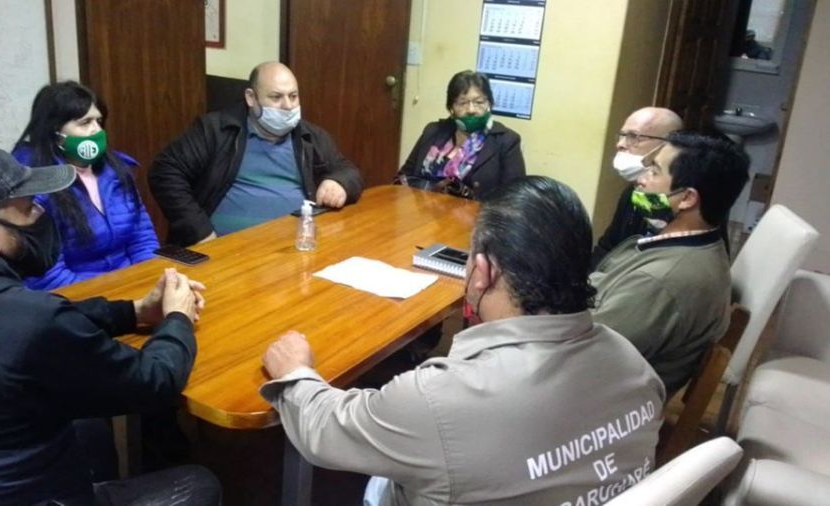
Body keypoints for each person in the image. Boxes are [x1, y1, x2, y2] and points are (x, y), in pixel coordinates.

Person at [261, 176, 664, 505]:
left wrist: (295, 374)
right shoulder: (635, 366)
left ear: (483, 271)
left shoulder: (439, 398)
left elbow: (327, 431)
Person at [0, 143, 220, 504]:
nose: (41, 214)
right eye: (29, 207)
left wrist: (132, 311)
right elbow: (154, 381)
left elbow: (36, 319)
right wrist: (178, 317)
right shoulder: (23, 323)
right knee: (200, 482)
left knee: (89, 428)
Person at [590, 131, 750, 397]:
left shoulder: (662, 281)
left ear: (687, 198)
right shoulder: (693, 244)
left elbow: (585, 356)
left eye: (654, 172)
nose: (641, 180)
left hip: (601, 402)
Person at [149, 61, 364, 246]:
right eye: (276, 97)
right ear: (251, 98)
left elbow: (348, 170)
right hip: (224, 252)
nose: (288, 106)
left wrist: (339, 182)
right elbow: (164, 172)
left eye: (293, 96)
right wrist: (199, 231)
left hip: (294, 249)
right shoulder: (215, 130)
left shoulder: (310, 136)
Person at [12, 81, 161, 291]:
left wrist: (149, 280)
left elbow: (142, 239)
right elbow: (47, 277)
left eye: (99, 121)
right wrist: (118, 297)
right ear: (55, 131)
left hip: (131, 286)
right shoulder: (35, 187)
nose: (97, 130)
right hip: (80, 297)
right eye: (85, 123)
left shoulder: (117, 170)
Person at [397, 70, 525, 200]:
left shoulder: (506, 141)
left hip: (477, 212)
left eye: (479, 102)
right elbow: (403, 178)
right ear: (451, 108)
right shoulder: (433, 131)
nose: (471, 110)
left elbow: (516, 199)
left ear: (489, 104)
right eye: (462, 103)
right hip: (422, 209)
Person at [591, 107, 684, 269]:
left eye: (634, 137)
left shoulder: (682, 202)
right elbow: (608, 247)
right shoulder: (633, 193)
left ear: (667, 145)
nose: (620, 144)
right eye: (622, 135)